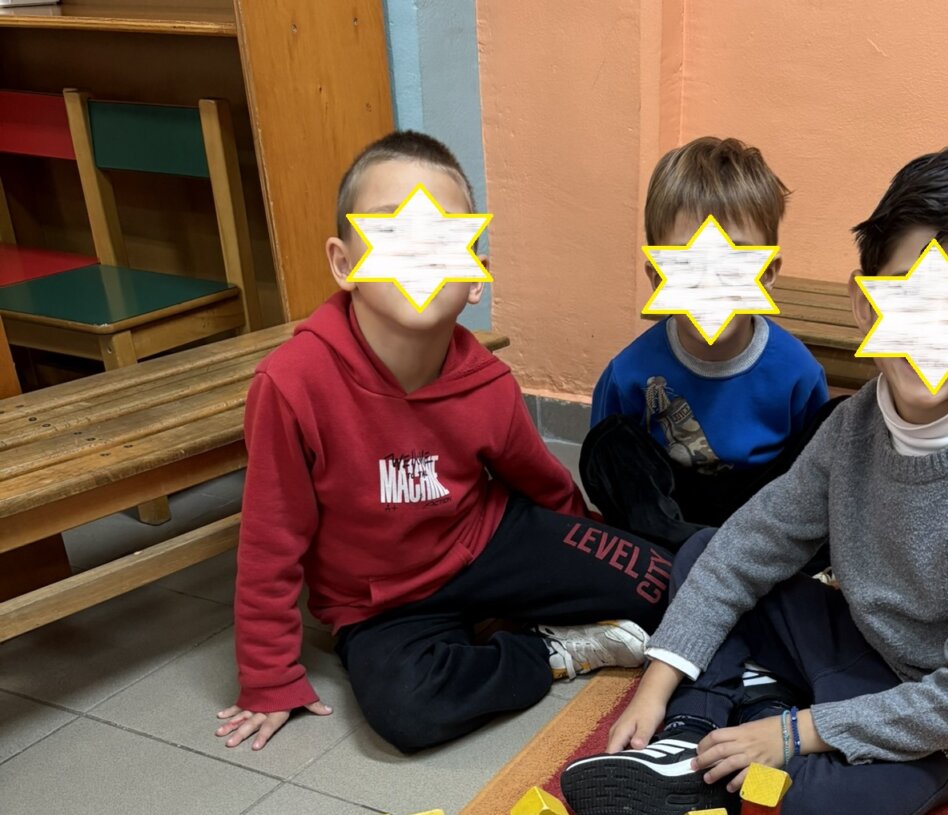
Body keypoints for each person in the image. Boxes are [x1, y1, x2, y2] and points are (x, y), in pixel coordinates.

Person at [562, 144, 948, 815]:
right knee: (708, 550)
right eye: (908, 296)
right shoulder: (854, 425)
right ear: (864, 301)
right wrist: (657, 686)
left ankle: (764, 712)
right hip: (861, 645)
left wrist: (794, 734)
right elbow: (750, 545)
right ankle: (695, 731)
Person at [217, 130, 673, 755]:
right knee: (409, 713)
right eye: (392, 231)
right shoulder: (292, 384)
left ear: (474, 276)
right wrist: (269, 677)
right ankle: (548, 650)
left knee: (667, 582)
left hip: (488, 544)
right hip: (383, 604)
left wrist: (584, 555)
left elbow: (542, 483)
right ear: (344, 263)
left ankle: (514, 612)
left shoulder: (486, 381)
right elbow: (271, 542)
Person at [581, 136, 831, 549]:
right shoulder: (628, 373)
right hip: (671, 521)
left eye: (735, 259)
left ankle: (750, 559)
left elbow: (809, 472)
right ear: (658, 277)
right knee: (610, 442)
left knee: (832, 427)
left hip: (762, 518)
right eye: (688, 261)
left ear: (767, 274)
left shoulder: (797, 371)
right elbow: (610, 471)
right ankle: (689, 555)